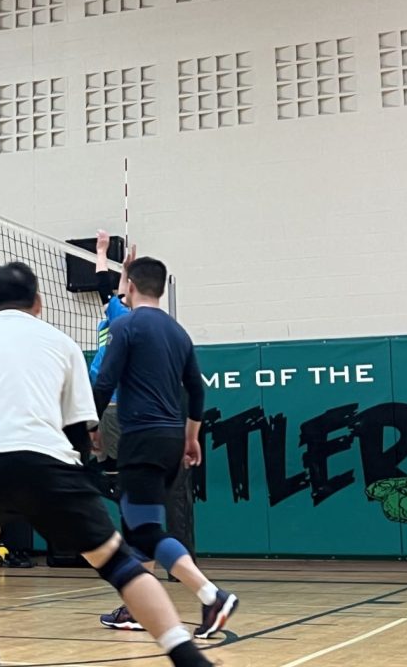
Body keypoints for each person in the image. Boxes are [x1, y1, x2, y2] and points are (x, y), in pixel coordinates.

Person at [0, 261, 214, 667]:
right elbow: (80, 427)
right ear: (39, 303)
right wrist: (79, 478)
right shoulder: (60, 343)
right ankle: (188, 658)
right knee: (116, 559)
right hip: (43, 459)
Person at [93, 257, 238, 638]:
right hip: (172, 440)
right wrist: (191, 437)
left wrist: (89, 427)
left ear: (131, 286)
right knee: (142, 527)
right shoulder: (179, 333)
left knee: (143, 531)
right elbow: (197, 392)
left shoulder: (125, 326)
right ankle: (137, 608)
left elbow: (105, 383)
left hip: (141, 439)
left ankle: (211, 595)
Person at [88, 230, 133, 464]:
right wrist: (125, 270)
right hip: (109, 400)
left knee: (110, 462)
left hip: (111, 402)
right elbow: (121, 293)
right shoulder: (126, 317)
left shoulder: (121, 316)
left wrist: (101, 252)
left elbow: (103, 286)